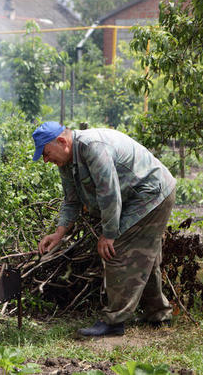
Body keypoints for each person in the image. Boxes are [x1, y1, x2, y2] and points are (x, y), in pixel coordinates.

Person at [32, 122, 176, 337]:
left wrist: (109, 235)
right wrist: (58, 233)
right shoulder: (66, 162)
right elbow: (71, 201)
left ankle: (114, 322)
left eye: (45, 153)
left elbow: (109, 194)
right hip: (135, 197)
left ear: (62, 142)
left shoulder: (93, 147)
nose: (45, 160)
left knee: (117, 252)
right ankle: (158, 314)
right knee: (145, 257)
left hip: (150, 194)